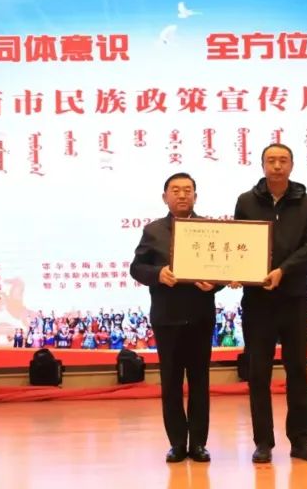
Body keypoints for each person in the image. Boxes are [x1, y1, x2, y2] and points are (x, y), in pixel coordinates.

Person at [230, 143, 307, 463]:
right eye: (271, 160)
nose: (277, 166)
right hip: (257, 301)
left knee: (297, 370)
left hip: (294, 298)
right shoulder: (246, 201)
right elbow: (239, 245)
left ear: (292, 165)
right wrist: (235, 272)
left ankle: (301, 440)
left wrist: (283, 270)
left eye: (283, 160)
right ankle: (263, 443)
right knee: (258, 373)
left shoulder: (306, 202)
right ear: (262, 165)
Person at [130, 172, 221, 463]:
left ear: (196, 195)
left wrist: (215, 283)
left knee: (199, 382)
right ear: (165, 197)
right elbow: (136, 268)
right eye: (176, 190)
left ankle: (199, 444)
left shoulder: (210, 229)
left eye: (188, 190)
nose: (182, 195)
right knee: (170, 383)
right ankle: (178, 444)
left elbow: (223, 268)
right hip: (167, 318)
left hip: (200, 317)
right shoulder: (153, 231)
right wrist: (158, 274)